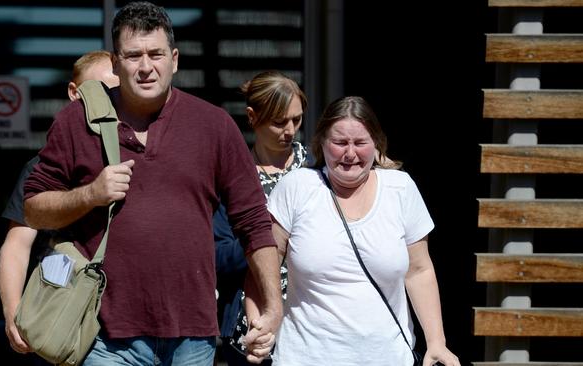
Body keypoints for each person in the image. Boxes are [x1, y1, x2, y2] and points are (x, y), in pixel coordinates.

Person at [23, 2, 282, 365]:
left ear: (174, 59)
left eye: (156, 54)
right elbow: (33, 209)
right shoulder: (76, 122)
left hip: (193, 335)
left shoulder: (214, 126)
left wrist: (273, 307)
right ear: (115, 64)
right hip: (105, 337)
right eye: (133, 56)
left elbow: (254, 222)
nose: (146, 67)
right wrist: (90, 195)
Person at [263, 96, 460, 365]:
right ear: (321, 142)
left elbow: (419, 270)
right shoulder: (297, 187)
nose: (350, 153)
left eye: (360, 143)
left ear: (376, 144)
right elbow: (266, 261)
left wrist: (437, 341)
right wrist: (263, 318)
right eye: (340, 142)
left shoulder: (400, 189)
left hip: (387, 356)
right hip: (305, 356)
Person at [0, 49, 119, 356]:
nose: (109, 103)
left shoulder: (134, 161)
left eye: (118, 95)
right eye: (100, 92)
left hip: (126, 326)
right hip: (61, 319)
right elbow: (16, 245)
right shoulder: (42, 167)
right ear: (74, 94)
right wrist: (13, 315)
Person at [215, 71, 307, 366]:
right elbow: (217, 255)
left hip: (310, 320)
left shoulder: (316, 171)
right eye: (279, 122)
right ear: (252, 117)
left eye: (297, 119)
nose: (290, 130)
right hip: (249, 327)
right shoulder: (233, 177)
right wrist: (265, 241)